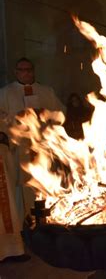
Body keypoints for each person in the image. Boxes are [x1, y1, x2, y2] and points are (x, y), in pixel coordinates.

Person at [0, 57, 64, 261]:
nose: (26, 73)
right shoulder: (5, 93)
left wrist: (46, 115)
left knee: (45, 187)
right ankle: (24, 233)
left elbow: (60, 112)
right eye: (22, 70)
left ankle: (49, 229)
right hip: (18, 150)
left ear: (33, 70)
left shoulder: (47, 91)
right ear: (16, 72)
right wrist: (15, 119)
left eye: (29, 69)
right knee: (22, 191)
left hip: (43, 148)